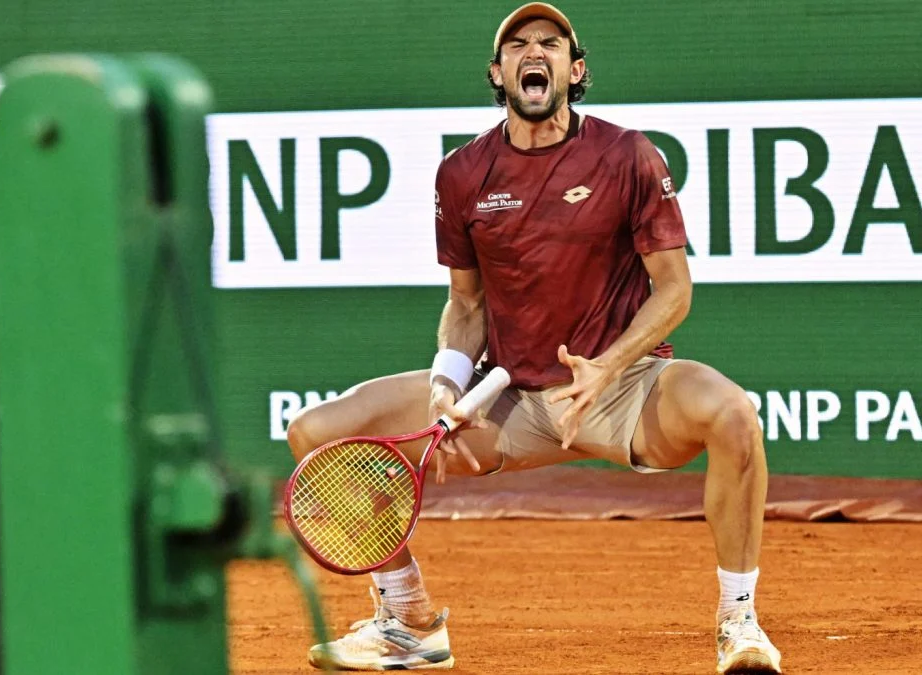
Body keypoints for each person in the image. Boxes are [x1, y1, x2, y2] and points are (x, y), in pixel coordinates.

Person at [286, 3, 783, 672]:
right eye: (517, 44)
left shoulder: (628, 154)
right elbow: (466, 304)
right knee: (315, 430)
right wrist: (445, 383)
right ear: (499, 72)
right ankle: (407, 619)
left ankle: (739, 622)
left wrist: (607, 367)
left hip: (622, 390)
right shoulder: (462, 175)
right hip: (510, 397)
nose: (534, 51)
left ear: (574, 70)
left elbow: (675, 288)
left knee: (734, 416)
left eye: (550, 42)